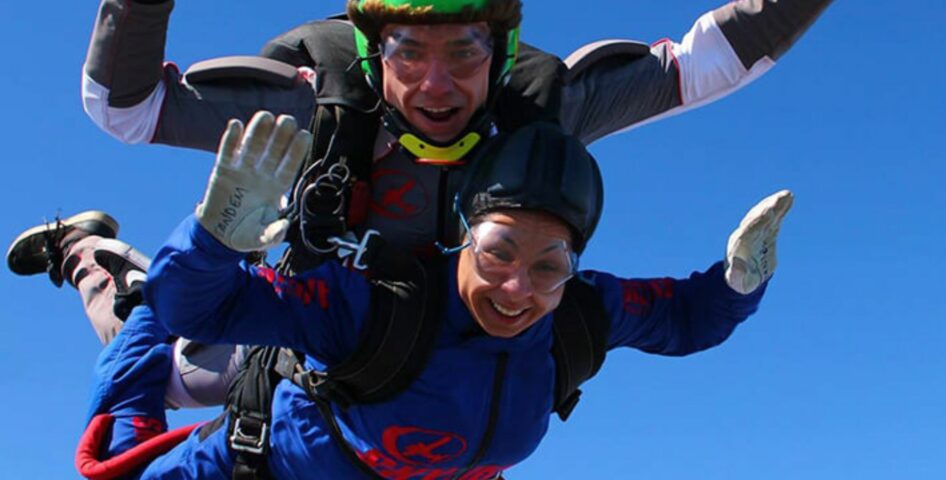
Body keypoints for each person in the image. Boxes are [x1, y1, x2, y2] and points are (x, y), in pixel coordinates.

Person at [36, 0, 897, 405]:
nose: (438, 82)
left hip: (441, 340)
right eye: (410, 52)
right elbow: (122, 107)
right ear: (375, 57)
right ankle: (92, 255)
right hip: (311, 328)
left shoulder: (539, 111)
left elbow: (708, 64)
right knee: (151, 360)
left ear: (502, 48)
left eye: (466, 52)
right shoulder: (319, 109)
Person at [73, 114, 792, 479]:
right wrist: (216, 237)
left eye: (549, 266)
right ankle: (105, 273)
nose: (517, 289)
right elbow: (195, 309)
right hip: (261, 467)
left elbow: (686, 317)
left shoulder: (581, 311)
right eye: (497, 252)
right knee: (137, 359)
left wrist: (741, 281)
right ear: (461, 236)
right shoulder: (373, 301)